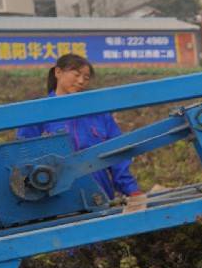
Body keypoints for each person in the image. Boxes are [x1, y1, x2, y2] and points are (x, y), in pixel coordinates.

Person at [17, 53, 145, 207]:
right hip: (55, 198)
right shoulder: (38, 112)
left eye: (86, 78)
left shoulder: (97, 113)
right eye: (76, 74)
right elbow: (23, 155)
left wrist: (131, 190)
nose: (81, 81)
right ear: (58, 72)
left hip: (98, 194)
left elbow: (117, 152)